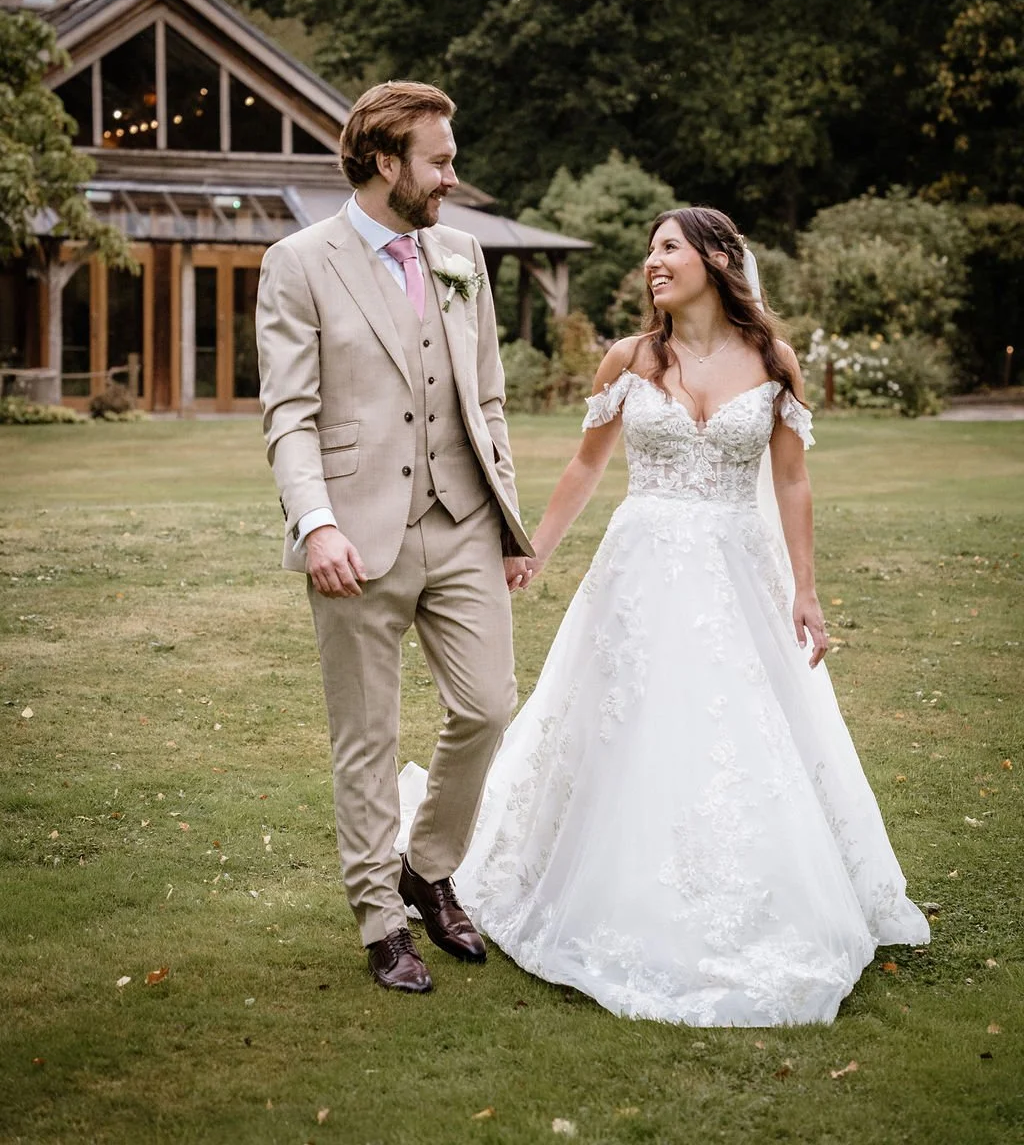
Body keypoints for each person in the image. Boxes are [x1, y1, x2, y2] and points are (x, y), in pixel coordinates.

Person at [399, 205, 930, 1026]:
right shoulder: (630, 358)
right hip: (640, 568)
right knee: (627, 722)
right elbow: (585, 466)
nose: (653, 262)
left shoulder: (771, 359)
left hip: (737, 571)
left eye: (669, 248)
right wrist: (529, 547)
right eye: (650, 250)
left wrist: (806, 587)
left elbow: (791, 481)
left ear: (718, 259)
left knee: (741, 729)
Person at [256, 80, 532, 995]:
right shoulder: (298, 263)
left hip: (462, 523)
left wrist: (509, 517)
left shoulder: (459, 254)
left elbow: (486, 396)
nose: (454, 175)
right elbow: (290, 414)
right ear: (386, 162)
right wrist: (316, 521)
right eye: (440, 160)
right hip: (356, 538)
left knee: (489, 705)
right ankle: (382, 921)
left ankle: (428, 867)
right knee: (367, 737)